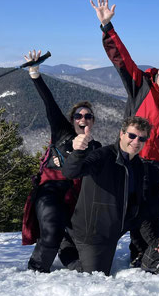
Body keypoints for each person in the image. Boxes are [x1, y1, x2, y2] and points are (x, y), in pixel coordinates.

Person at [90, 0, 159, 267]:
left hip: (158, 162)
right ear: (158, 72)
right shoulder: (141, 84)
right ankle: (138, 252)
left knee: (152, 208)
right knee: (136, 206)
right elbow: (121, 59)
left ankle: (148, 252)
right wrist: (107, 27)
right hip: (134, 157)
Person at [22, 50, 101, 273]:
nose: (83, 119)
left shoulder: (96, 148)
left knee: (81, 254)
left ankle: (70, 257)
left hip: (75, 202)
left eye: (87, 116)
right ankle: (36, 271)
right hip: (50, 192)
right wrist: (35, 73)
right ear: (72, 120)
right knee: (51, 231)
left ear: (93, 121)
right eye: (78, 116)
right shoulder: (62, 133)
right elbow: (49, 103)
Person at [62, 116, 159, 275]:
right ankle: (66, 246)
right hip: (92, 231)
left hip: (118, 226)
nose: (136, 141)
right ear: (122, 134)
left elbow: (138, 205)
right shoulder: (102, 156)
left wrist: (154, 239)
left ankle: (149, 262)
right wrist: (78, 152)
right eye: (132, 136)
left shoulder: (138, 166)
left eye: (141, 138)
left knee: (158, 221)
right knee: (95, 274)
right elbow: (71, 172)